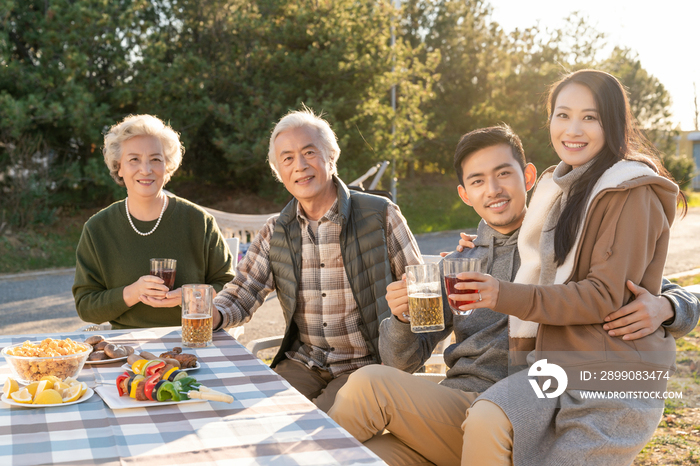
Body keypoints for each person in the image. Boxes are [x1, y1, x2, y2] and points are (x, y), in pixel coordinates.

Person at [328, 124, 699, 465]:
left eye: (503, 173)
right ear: (465, 194)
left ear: (529, 177)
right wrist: (403, 318)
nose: (493, 189)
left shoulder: (565, 246)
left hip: (529, 409)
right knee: (364, 437)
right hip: (456, 407)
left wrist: (667, 306)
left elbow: (651, 288)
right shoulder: (458, 264)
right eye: (478, 181)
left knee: (369, 393)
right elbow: (401, 363)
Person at [453, 69, 689, 465]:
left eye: (590, 117)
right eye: (562, 115)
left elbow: (602, 295)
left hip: (612, 376)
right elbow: (532, 252)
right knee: (487, 415)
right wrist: (476, 244)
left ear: (612, 123)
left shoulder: (632, 191)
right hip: (555, 367)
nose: (572, 129)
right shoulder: (562, 189)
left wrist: (500, 292)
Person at [212, 107, 422, 412]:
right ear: (278, 171)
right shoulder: (276, 230)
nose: (299, 166)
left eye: (309, 152)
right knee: (253, 415)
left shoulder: (381, 214)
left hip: (366, 366)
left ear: (331, 158)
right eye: (287, 158)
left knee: (314, 427)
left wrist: (405, 347)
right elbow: (245, 290)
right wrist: (213, 314)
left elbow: (420, 289)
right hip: (303, 362)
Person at [73, 114, 235, 329]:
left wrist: (190, 297)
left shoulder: (198, 221)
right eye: (134, 159)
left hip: (194, 338)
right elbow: (86, 307)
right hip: (126, 350)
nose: (146, 169)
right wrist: (132, 293)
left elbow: (230, 288)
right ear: (118, 166)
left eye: (156, 159)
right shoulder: (97, 229)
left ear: (167, 166)